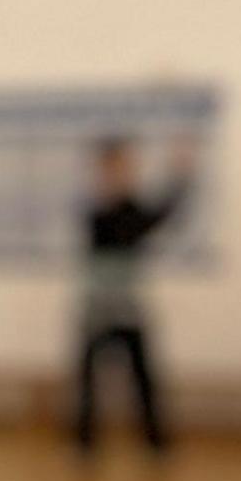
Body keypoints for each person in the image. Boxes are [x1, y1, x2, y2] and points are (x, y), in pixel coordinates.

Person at [75, 134, 193, 455]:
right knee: (88, 376)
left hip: (128, 306)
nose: (122, 173)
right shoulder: (97, 211)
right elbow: (124, 228)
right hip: (98, 306)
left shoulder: (131, 208)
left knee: (143, 375)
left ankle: (155, 443)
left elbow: (156, 217)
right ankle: (84, 443)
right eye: (115, 166)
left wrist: (181, 178)